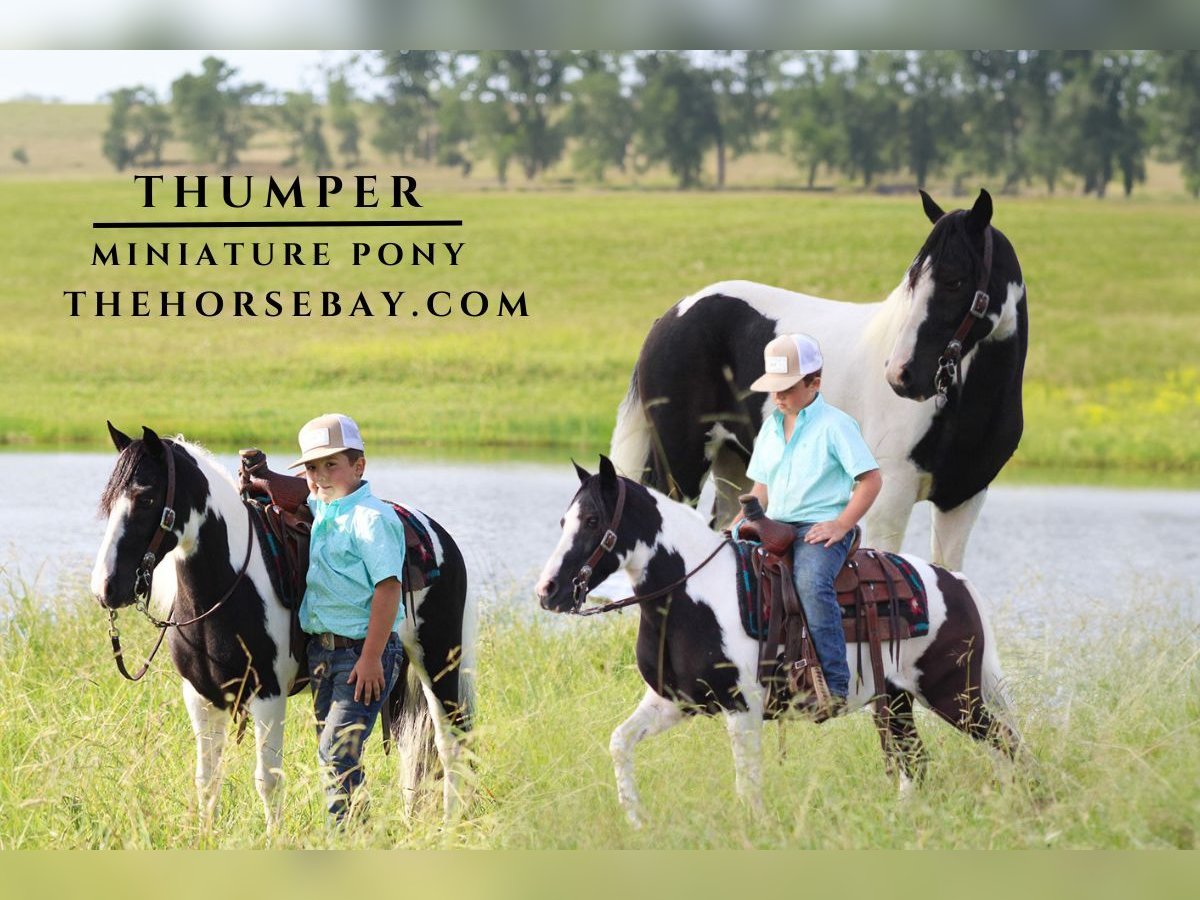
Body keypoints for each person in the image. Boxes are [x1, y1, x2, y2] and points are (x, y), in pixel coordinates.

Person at [741, 334, 882, 717]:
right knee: (735, 571)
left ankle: (835, 686)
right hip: (773, 524)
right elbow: (761, 488)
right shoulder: (770, 427)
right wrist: (735, 525)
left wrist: (840, 524)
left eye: (786, 389)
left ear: (814, 383)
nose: (778, 397)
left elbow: (870, 480)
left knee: (810, 582)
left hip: (819, 528)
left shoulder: (837, 425)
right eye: (773, 389)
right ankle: (760, 675)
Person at [289, 412, 407, 825]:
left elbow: (388, 588)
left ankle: (350, 839)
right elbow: (293, 489)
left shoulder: (369, 519)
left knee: (336, 753)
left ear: (359, 467)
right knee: (335, 753)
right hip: (323, 654)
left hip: (362, 654)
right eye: (312, 467)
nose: (320, 476)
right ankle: (362, 833)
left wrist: (372, 657)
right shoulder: (325, 507)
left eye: (331, 465)